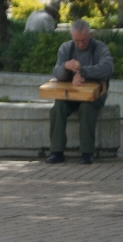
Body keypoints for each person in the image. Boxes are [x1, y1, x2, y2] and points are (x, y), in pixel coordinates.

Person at [46, 20, 113, 165]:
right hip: (71, 94)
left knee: (87, 108)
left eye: (84, 40)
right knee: (58, 107)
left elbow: (107, 67)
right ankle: (56, 151)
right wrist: (66, 66)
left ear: (91, 35)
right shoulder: (66, 48)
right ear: (72, 36)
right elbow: (56, 73)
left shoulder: (99, 48)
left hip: (94, 93)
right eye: (77, 41)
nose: (81, 44)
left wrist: (84, 72)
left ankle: (87, 152)